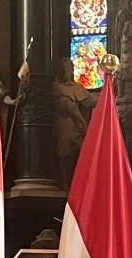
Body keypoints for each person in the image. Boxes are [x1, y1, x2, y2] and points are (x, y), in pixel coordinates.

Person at [52, 57, 96, 190]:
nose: (67, 70)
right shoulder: (57, 87)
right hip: (64, 123)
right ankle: (64, 182)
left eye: (69, 67)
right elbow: (67, 106)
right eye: (64, 68)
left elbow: (89, 102)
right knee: (64, 151)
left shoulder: (78, 87)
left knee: (81, 153)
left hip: (78, 127)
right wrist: (82, 121)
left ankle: (80, 183)